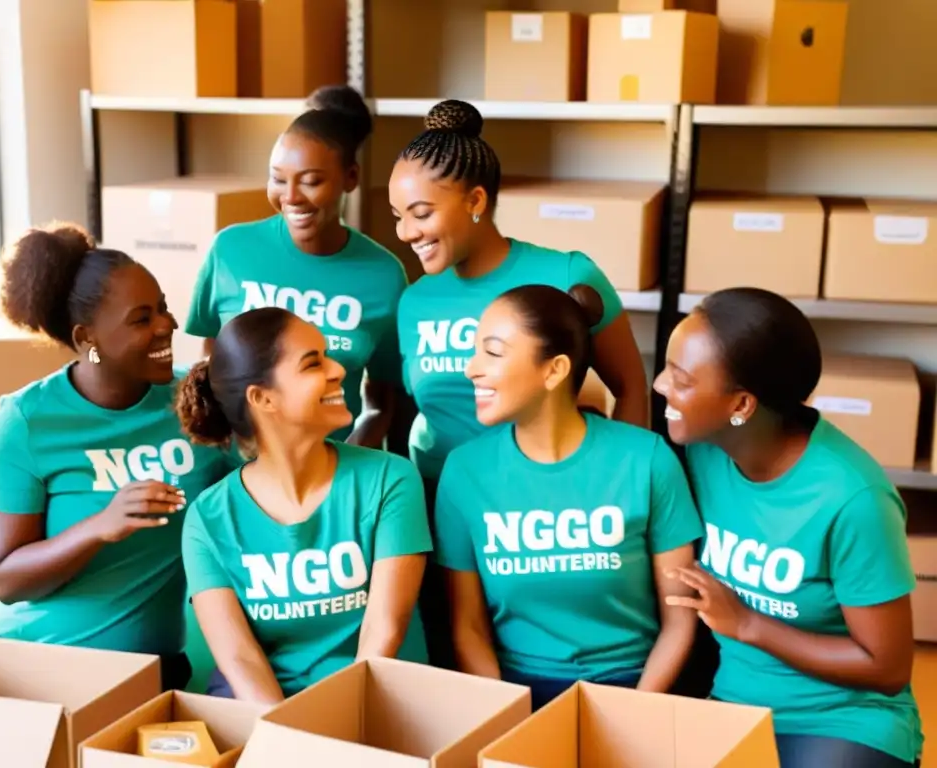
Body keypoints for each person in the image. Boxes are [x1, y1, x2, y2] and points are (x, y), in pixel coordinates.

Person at [389, 98, 650, 667]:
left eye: (422, 213)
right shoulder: (412, 301)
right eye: (398, 217)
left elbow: (631, 387)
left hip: (552, 510)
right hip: (444, 510)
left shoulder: (565, 275)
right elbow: (400, 408)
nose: (407, 232)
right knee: (458, 661)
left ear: (476, 201)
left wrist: (616, 488)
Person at [653, 287, 923, 768]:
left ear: (741, 404)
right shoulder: (702, 450)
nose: (660, 386)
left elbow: (887, 666)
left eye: (682, 379)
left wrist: (748, 624)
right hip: (734, 706)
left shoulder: (853, 499)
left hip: (843, 718)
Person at [0, 222, 236, 691]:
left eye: (163, 308)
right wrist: (99, 527)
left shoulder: (193, 400)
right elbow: (5, 580)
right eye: (141, 318)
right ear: (87, 338)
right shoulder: (26, 422)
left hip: (154, 669)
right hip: (40, 671)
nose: (166, 326)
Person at [433, 284, 702, 710]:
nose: (471, 369)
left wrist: (637, 711)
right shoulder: (464, 472)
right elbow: (467, 626)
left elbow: (680, 620)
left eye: (493, 352)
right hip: (515, 691)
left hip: (636, 686)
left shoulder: (646, 459)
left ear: (555, 370)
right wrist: (508, 716)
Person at [175, 306, 432, 705]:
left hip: (378, 704)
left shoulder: (390, 479)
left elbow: (384, 630)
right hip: (268, 709)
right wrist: (289, 740)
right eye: (313, 363)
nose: (338, 370)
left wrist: (337, 731)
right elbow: (239, 658)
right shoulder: (207, 519)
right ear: (263, 398)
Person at [185, 85, 406, 449]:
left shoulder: (383, 275)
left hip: (332, 474)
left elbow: (383, 401)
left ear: (350, 177)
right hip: (234, 471)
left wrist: (349, 465)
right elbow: (212, 356)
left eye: (311, 181)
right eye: (278, 178)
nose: (290, 197)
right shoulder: (231, 250)